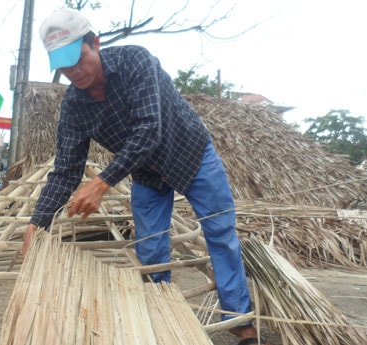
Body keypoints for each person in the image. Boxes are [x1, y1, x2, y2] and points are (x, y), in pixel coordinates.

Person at [22, 8, 268, 345]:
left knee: (221, 234)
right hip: (147, 172)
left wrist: (101, 183)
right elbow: (65, 170)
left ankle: (241, 324)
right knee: (151, 250)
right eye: (63, 66)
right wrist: (39, 221)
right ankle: (161, 319)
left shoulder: (135, 62)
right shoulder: (74, 107)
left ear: (95, 43)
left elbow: (148, 131)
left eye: (78, 58)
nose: (74, 72)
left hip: (191, 154)